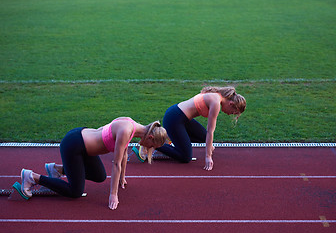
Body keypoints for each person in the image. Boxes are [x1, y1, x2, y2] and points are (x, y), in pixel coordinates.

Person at [20, 117, 167, 210]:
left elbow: (123, 156)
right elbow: (116, 163)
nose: (149, 149)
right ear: (151, 137)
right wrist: (113, 194)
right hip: (75, 146)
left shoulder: (132, 125)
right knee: (75, 192)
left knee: (100, 175)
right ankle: (32, 177)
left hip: (82, 141)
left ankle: (58, 170)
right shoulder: (126, 131)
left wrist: (122, 178)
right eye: (152, 146)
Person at [155, 86, 246, 171]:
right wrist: (208, 156)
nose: (230, 114)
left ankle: (167, 135)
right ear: (231, 104)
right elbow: (211, 130)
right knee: (185, 157)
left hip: (181, 118)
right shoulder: (216, 103)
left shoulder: (217, 96)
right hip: (174, 119)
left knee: (204, 137)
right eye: (233, 112)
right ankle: (152, 141)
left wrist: (209, 146)